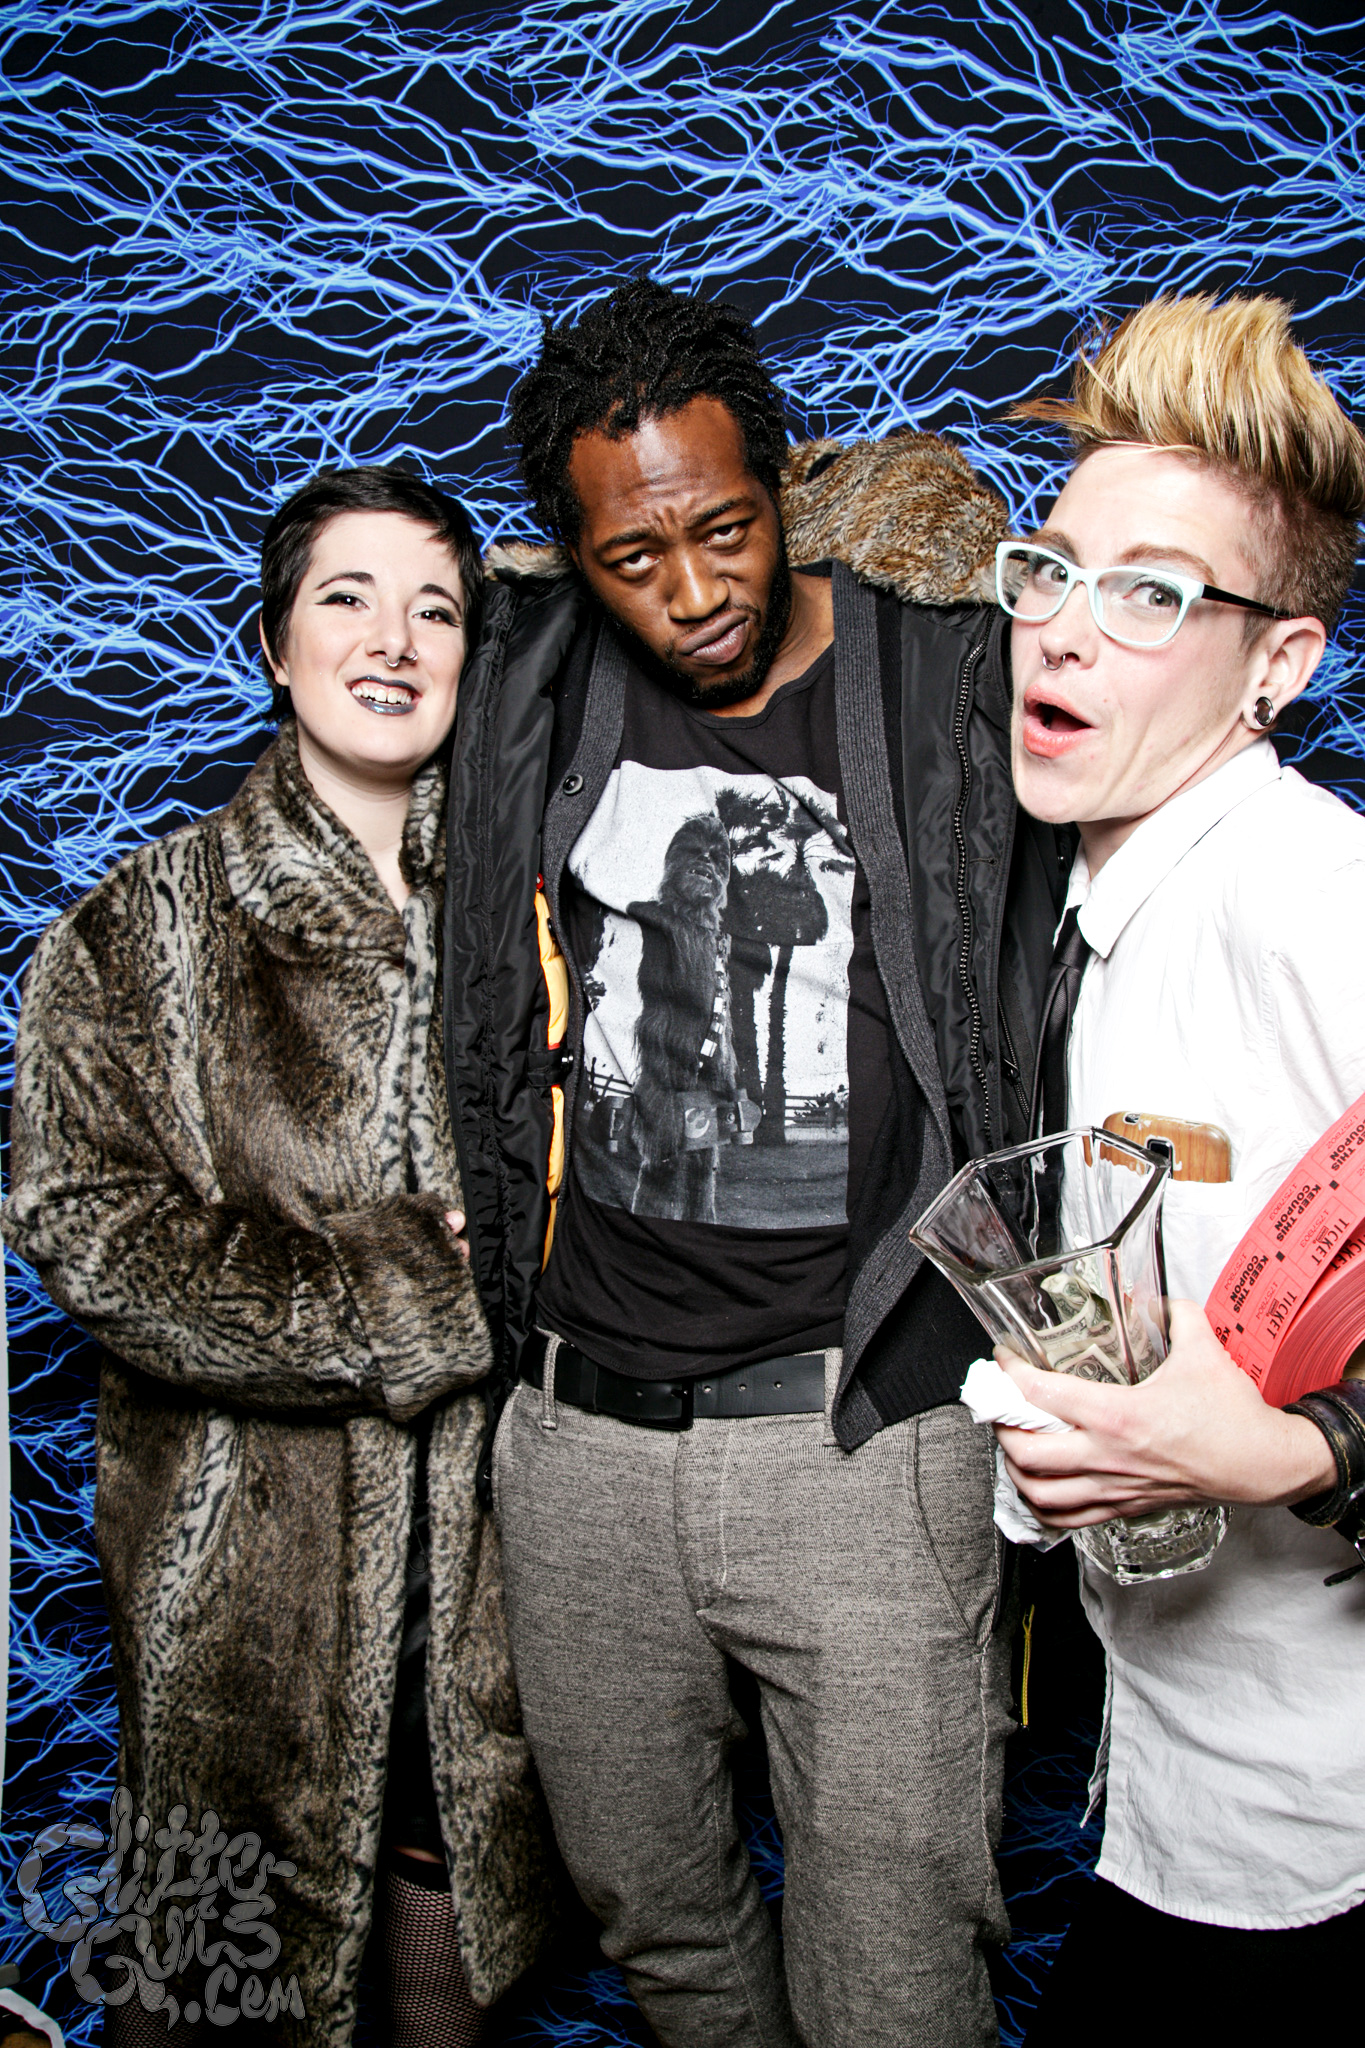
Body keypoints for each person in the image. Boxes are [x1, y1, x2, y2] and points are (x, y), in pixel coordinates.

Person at [440, 278, 1068, 2047]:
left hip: (860, 1429)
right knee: (659, 1929)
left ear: (786, 483)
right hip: (579, 1445)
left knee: (895, 1964)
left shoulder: (944, 677)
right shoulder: (525, 679)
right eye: (634, 558)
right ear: (573, 559)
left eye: (722, 529)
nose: (694, 590)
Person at [3, 468, 555, 2047]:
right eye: (346, 598)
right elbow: (87, 1225)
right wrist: (415, 1292)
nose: (393, 640)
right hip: (236, 1605)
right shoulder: (142, 925)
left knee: (456, 1950)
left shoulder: (543, 916)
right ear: (273, 641)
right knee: (210, 1990)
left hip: (497, 1585)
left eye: (436, 610)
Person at [986, 295, 1365, 2045]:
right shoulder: (1096, 903)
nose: (1063, 629)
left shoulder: (1304, 893)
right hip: (1179, 1779)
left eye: (1150, 593)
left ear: (1275, 666)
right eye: (1049, 570)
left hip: (1321, 1827)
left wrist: (1301, 1450)